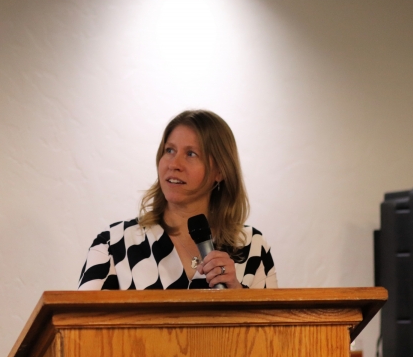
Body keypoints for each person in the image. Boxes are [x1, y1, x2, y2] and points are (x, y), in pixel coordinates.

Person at [78, 110, 277, 290]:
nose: (174, 164)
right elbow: (79, 326)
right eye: (169, 150)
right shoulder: (113, 245)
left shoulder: (253, 247)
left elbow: (272, 330)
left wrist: (236, 292)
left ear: (220, 171)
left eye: (191, 154)